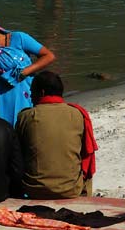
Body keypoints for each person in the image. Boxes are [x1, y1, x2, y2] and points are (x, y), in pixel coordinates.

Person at [15, 71, 97, 199]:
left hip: (34, 190)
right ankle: (86, 197)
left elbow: (19, 154)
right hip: (71, 190)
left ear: (41, 92)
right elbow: (86, 154)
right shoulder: (77, 114)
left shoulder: (25, 116)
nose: (30, 95)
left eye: (32, 91)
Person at [0, 13, 56, 127]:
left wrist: (23, 72)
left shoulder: (19, 38)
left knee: (27, 126)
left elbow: (48, 56)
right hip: (0, 99)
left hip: (25, 92)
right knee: (6, 130)